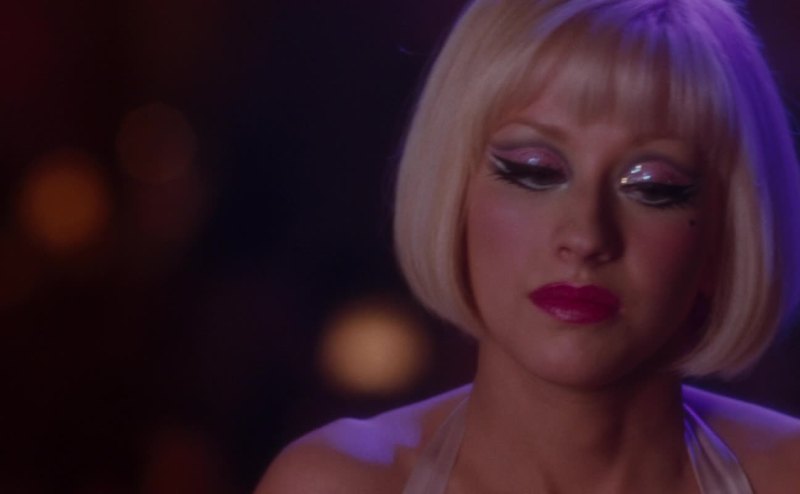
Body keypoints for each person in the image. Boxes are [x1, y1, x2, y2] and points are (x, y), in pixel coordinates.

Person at [257, 0, 800, 491]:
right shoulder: (340, 483)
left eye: (652, 188)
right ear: (453, 192)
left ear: (728, 232)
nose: (585, 237)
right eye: (534, 172)